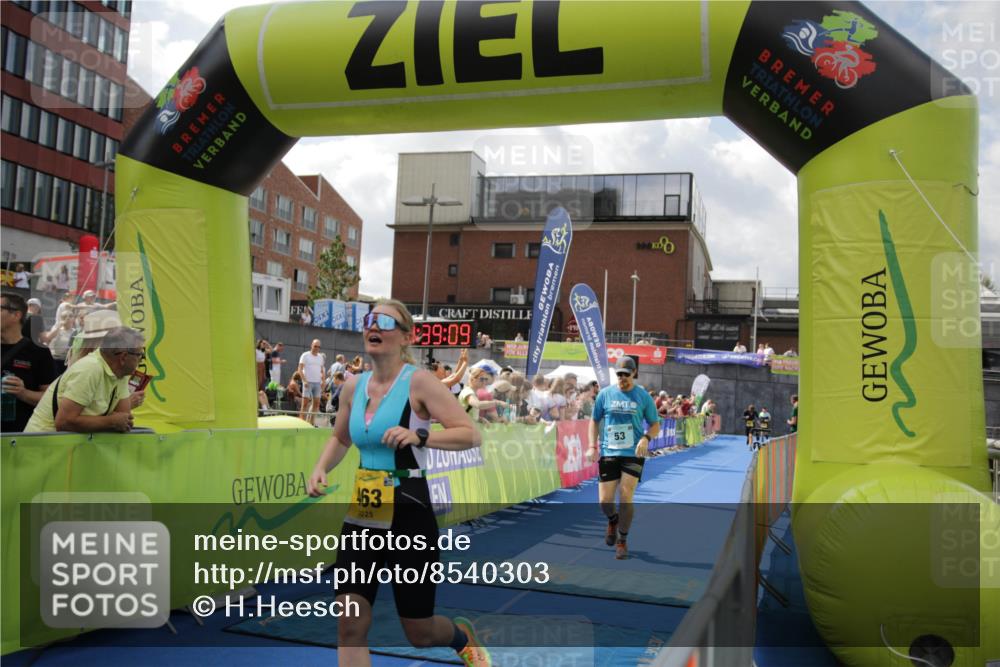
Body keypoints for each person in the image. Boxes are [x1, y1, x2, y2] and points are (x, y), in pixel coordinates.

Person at [306, 299, 490, 666]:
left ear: (408, 336)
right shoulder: (351, 387)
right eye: (369, 320)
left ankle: (460, 636)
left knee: (419, 633)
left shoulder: (420, 382)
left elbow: (471, 435)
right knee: (350, 624)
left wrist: (420, 437)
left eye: (385, 321)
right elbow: (341, 438)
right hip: (363, 515)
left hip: (410, 511)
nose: (374, 327)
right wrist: (321, 467)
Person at [586, 356, 660, 560]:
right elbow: (594, 420)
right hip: (609, 452)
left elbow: (655, 424)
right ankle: (612, 520)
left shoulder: (643, 396)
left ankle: (622, 540)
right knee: (604, 501)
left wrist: (646, 438)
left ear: (634, 373)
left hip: (633, 454)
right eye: (619, 374)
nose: (622, 378)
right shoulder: (605, 394)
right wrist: (592, 445)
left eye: (626, 375)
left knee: (626, 495)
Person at [25, 327, 143, 433]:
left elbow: (124, 419)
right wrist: (110, 421)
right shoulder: (90, 369)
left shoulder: (120, 372)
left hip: (64, 448)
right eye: (140, 355)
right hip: (42, 448)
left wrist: (113, 421)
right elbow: (64, 422)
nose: (141, 359)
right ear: (123, 357)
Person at [2, 294, 57, 432]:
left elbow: (51, 398)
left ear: (16, 315)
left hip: (19, 436)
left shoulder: (38, 352)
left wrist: (22, 393)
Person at [298, 339, 326, 424]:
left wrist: (323, 381)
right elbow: (299, 369)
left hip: (317, 383)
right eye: (315, 346)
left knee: (316, 404)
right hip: (308, 382)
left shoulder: (320, 357)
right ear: (311, 345)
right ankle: (301, 423)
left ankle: (311, 423)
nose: (317, 348)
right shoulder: (305, 355)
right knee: (305, 404)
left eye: (318, 347)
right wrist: (304, 381)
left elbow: (322, 370)